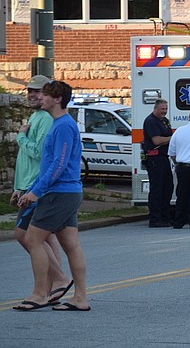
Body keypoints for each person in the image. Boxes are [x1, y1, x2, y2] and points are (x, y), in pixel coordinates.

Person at [14, 80, 89, 312]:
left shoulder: (63, 126)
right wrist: (31, 189)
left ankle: (40, 295)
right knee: (71, 245)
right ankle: (80, 298)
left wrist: (37, 192)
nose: (41, 98)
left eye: (46, 95)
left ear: (57, 99)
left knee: (32, 239)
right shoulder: (59, 124)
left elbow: (59, 164)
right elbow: (48, 165)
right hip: (62, 192)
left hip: (60, 193)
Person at [142, 99, 174, 227]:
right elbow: (156, 141)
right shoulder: (151, 121)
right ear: (156, 108)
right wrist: (172, 138)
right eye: (162, 109)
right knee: (157, 189)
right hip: (154, 159)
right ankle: (155, 219)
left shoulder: (165, 121)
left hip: (163, 157)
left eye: (166, 109)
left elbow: (165, 138)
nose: (164, 111)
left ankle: (165, 217)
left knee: (168, 187)